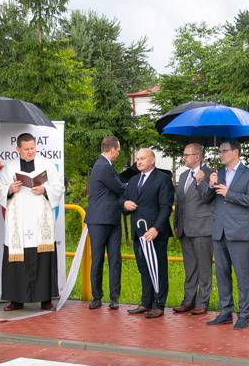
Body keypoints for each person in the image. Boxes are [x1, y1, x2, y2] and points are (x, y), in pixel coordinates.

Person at [0, 133, 65, 311]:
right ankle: (16, 300)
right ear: (18, 149)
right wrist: (9, 188)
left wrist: (45, 189)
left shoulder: (47, 165)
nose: (30, 151)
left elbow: (59, 186)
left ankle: (45, 299)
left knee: (43, 260)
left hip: (40, 220)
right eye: (26, 149)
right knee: (17, 262)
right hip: (19, 221)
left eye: (32, 148)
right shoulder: (9, 168)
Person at [205, 140, 249, 329]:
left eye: (224, 151)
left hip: (238, 232)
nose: (221, 154)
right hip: (219, 231)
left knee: (243, 275)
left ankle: (243, 314)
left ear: (235, 152)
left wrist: (229, 193)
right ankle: (225, 312)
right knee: (222, 274)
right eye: (220, 151)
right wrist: (210, 185)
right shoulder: (218, 173)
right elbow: (206, 199)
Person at [120, 148, 174, 319]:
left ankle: (159, 304)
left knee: (158, 269)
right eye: (137, 159)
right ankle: (146, 302)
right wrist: (125, 204)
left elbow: (166, 207)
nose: (139, 161)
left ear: (152, 160)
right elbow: (123, 199)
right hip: (138, 233)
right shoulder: (134, 180)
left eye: (142, 158)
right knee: (143, 268)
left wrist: (156, 228)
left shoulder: (163, 179)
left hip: (155, 233)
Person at [173, 143, 214, 315]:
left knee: (204, 268)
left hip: (202, 228)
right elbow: (179, 203)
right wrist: (176, 224)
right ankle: (188, 300)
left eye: (186, 155)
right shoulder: (183, 176)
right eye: (183, 154)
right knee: (190, 268)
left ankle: (202, 302)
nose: (183, 158)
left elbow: (208, 198)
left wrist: (200, 181)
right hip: (185, 229)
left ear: (197, 157)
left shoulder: (210, 174)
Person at [85, 135, 125, 310]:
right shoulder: (103, 166)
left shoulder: (103, 165)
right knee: (99, 259)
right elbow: (119, 188)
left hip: (110, 219)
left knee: (114, 259)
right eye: (118, 150)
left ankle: (111, 297)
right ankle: (98, 296)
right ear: (113, 149)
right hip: (100, 220)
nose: (118, 153)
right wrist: (132, 185)